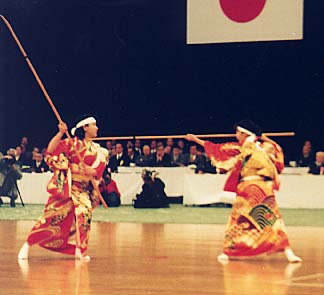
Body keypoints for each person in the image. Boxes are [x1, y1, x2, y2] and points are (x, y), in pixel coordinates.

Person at [185, 119, 301, 263]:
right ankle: (228, 252)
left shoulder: (264, 148)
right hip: (246, 189)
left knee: (272, 220)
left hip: (261, 189)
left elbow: (276, 150)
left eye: (238, 132)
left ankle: (288, 252)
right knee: (239, 221)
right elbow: (218, 148)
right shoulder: (240, 148)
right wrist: (196, 140)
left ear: (245, 133)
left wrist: (262, 137)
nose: (236, 135)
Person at [18, 116, 108, 261]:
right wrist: (60, 133)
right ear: (85, 128)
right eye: (94, 125)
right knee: (51, 217)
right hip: (68, 188)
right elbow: (51, 150)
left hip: (83, 190)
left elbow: (98, 170)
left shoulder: (99, 150)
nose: (97, 128)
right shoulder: (71, 144)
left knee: (84, 215)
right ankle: (27, 245)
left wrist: (90, 171)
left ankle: (80, 250)